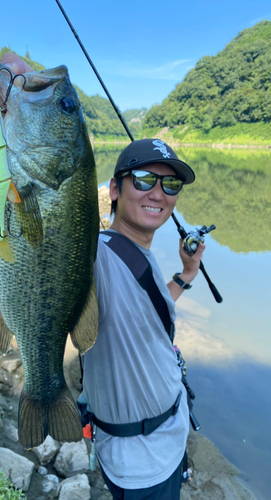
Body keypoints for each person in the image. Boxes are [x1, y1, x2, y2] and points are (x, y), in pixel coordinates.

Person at [82, 138, 205, 500]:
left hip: (170, 434)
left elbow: (147, 308)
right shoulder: (95, 254)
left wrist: (185, 274)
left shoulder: (137, 251)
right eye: (143, 179)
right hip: (143, 464)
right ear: (114, 189)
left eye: (170, 185)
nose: (158, 193)